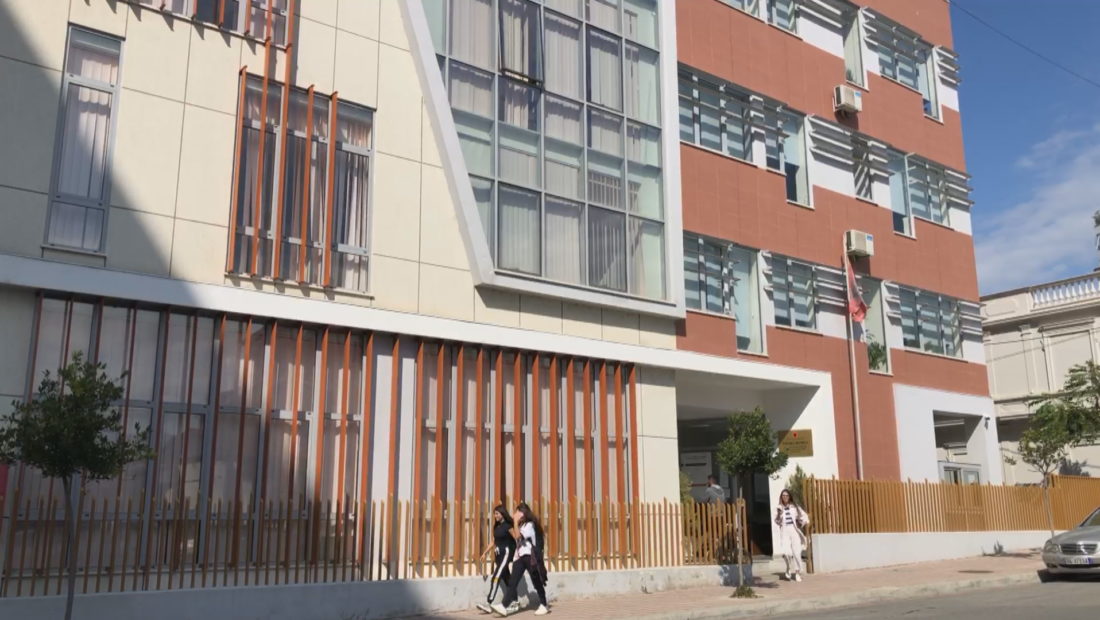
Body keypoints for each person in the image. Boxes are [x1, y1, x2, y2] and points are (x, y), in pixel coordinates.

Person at [491, 503, 549, 617]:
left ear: (523, 513)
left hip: (530, 557)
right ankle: (503, 606)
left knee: (536, 581)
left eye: (518, 512)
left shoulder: (529, 525)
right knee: (513, 581)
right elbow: (516, 539)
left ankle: (543, 604)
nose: (515, 514)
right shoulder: (521, 525)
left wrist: (515, 522)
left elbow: (518, 536)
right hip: (520, 557)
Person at [476, 505, 516, 614]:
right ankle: (514, 600)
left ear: (502, 513)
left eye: (497, 513)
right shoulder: (497, 527)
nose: (495, 516)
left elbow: (516, 538)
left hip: (506, 554)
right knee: (507, 578)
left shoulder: (508, 526)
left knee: (495, 577)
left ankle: (488, 603)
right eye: (494, 514)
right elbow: (493, 542)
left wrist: (519, 553)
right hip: (498, 556)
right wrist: (485, 553)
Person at [774, 489, 809, 582]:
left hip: (794, 530)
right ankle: (788, 568)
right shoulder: (779, 508)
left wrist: (801, 523)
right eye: (783, 495)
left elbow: (804, 516)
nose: (785, 497)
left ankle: (797, 573)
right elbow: (776, 521)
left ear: (789, 497)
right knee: (786, 552)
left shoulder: (794, 507)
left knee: (797, 552)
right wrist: (779, 514)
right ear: (781, 497)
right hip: (784, 530)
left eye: (787, 495)